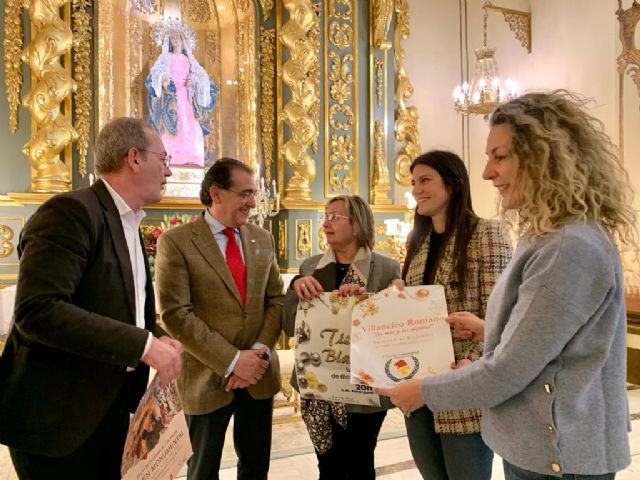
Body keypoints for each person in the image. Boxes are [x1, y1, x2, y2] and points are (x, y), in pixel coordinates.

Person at [377, 91, 637, 479]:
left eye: (500, 156)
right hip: (539, 445)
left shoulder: (570, 247)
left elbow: (510, 370)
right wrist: (486, 331)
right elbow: (547, 339)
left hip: (559, 456)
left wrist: (424, 390)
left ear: (544, 156)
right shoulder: (547, 237)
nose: (487, 172)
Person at [0, 117, 183, 479]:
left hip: (109, 412)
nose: (169, 171)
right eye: (164, 160)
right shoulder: (70, 212)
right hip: (58, 418)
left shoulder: (129, 222)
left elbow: (120, 310)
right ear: (134, 158)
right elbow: (39, 310)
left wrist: (156, 335)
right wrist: (144, 344)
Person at [155, 158, 284, 480]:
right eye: (245, 194)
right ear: (216, 193)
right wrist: (231, 360)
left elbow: (276, 300)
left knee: (256, 468)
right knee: (202, 470)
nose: (253, 202)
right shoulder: (177, 241)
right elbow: (175, 313)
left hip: (259, 374)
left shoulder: (262, 238)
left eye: (253, 194)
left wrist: (257, 353)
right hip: (205, 375)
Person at [392, 150, 512, 480]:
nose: (417, 189)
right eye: (414, 181)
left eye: (426, 180)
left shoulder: (486, 234)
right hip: (419, 385)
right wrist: (398, 298)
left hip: (463, 383)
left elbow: (499, 311)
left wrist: (472, 360)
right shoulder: (418, 243)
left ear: (454, 184)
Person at [282, 195, 401, 480]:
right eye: (325, 216)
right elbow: (290, 325)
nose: (326, 223)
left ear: (358, 225)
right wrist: (295, 288)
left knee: (360, 462)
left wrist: (381, 301)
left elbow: (394, 329)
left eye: (335, 217)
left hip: (364, 386)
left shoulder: (386, 268)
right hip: (320, 385)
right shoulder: (310, 267)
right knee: (329, 466)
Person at [146, 18, 219, 167]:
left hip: (186, 96)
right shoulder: (166, 58)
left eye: (177, 37)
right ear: (168, 41)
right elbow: (157, 74)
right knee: (173, 127)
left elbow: (200, 76)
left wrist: (193, 81)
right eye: (172, 38)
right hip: (172, 97)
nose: (175, 40)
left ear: (182, 40)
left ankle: (192, 158)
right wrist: (163, 80)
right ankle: (172, 158)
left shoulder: (188, 59)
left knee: (192, 126)